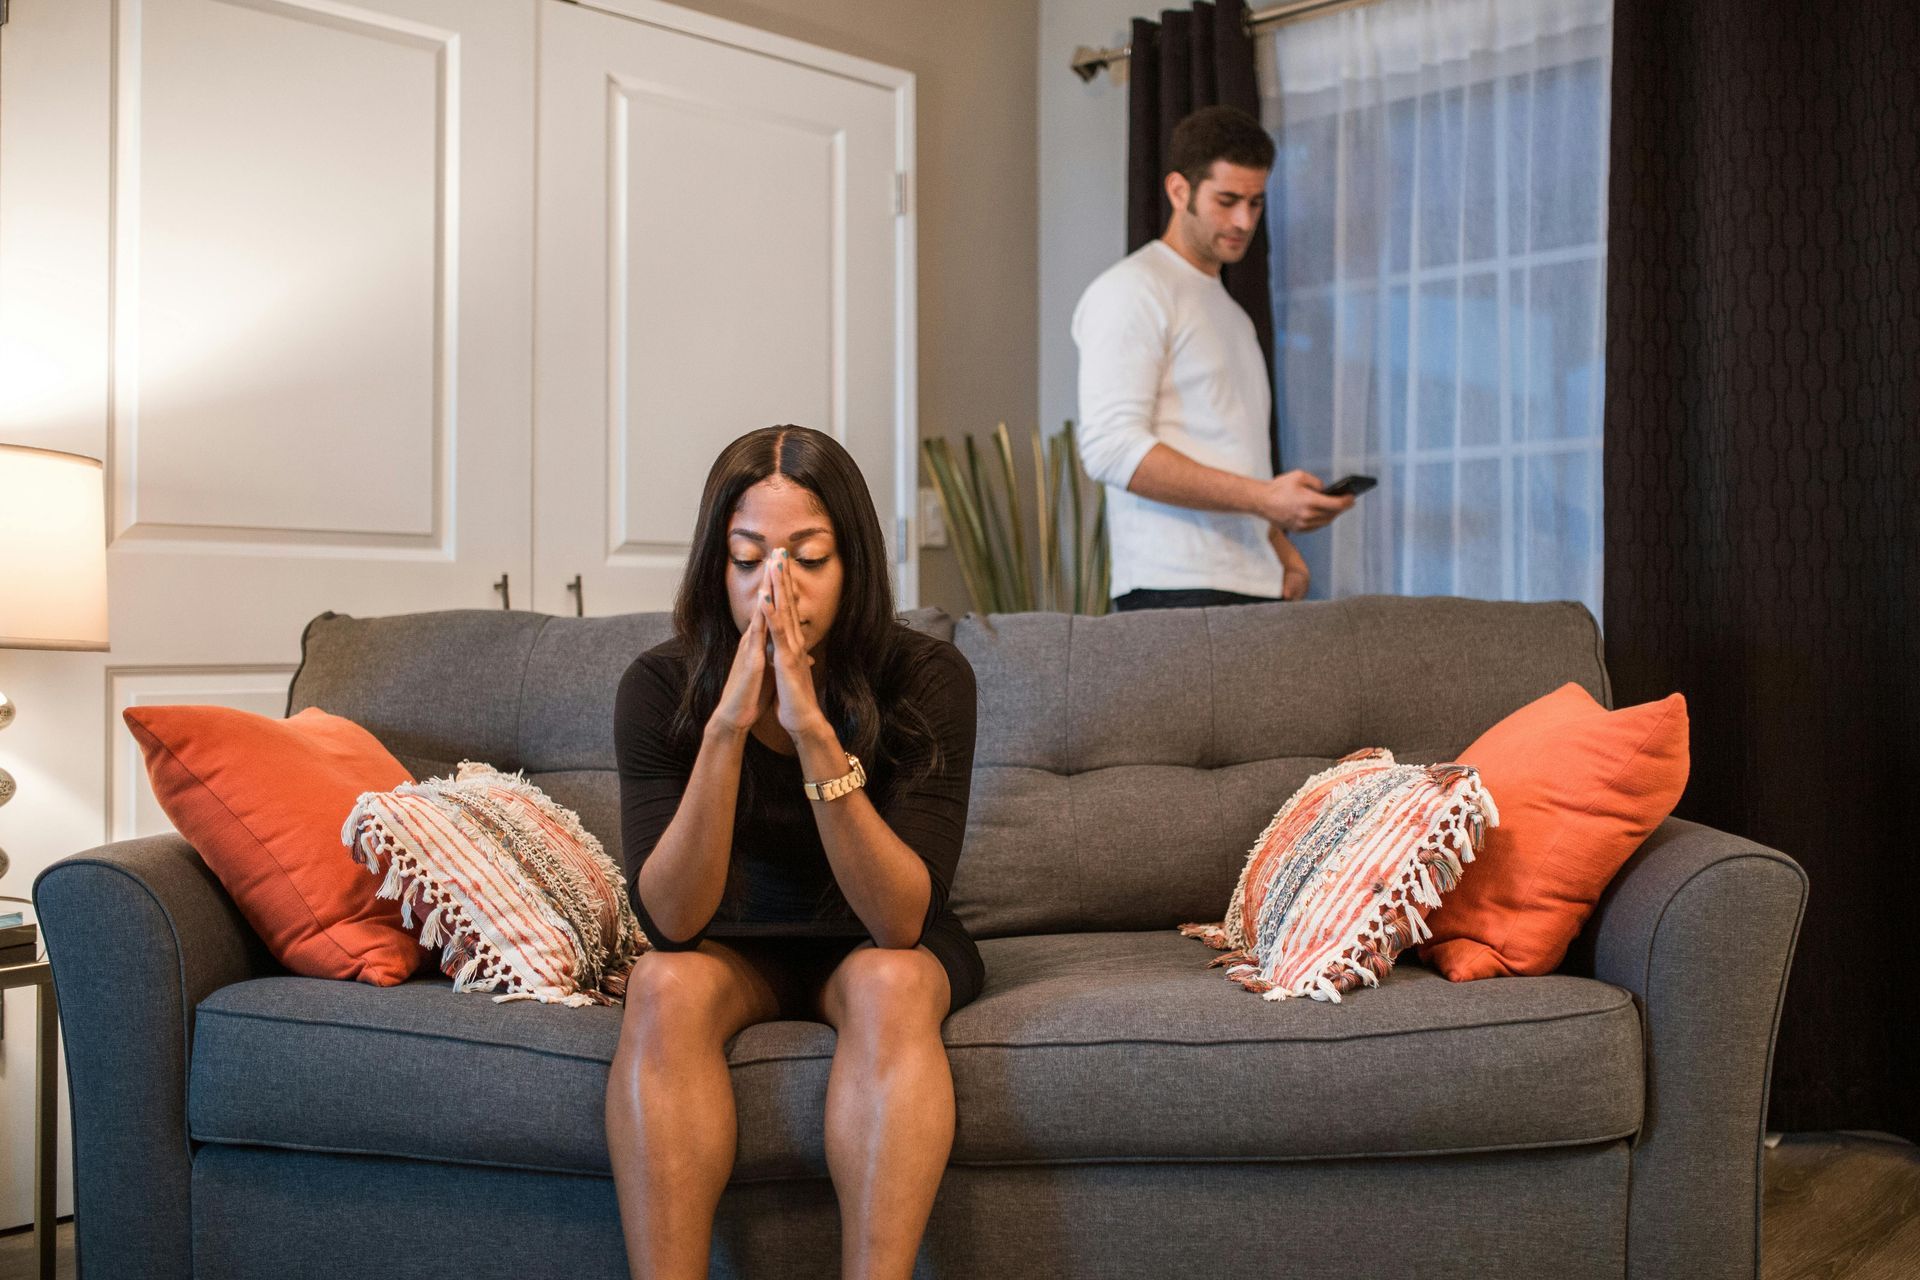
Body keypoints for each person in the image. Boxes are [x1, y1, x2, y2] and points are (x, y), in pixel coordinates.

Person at [605, 425, 982, 1280]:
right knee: (661, 985)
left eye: (809, 557)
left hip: (876, 938)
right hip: (730, 939)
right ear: (717, 568)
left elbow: (897, 920)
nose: (778, 586)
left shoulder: (928, 678)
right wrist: (729, 726)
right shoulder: (658, 687)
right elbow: (670, 920)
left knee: (893, 980)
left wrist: (811, 728)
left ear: (853, 565)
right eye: (749, 558)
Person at [1073, 104, 1355, 611]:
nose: (1244, 220)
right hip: (1174, 586)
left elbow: (1226, 449)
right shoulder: (1132, 290)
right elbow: (1111, 448)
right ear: (1179, 191)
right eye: (1227, 200)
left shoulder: (1231, 313)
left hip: (1252, 583)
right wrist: (1268, 500)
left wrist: (1276, 544)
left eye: (1256, 202)